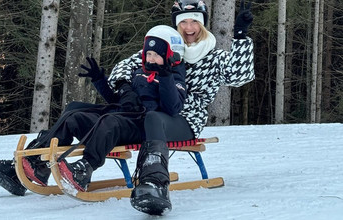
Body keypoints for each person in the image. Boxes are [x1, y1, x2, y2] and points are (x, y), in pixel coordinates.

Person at [0, 25, 186, 208]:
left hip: (141, 125)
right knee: (74, 114)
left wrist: (166, 76)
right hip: (122, 115)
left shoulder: (173, 77)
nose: (150, 59)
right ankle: (34, 164)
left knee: (109, 121)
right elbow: (118, 100)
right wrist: (100, 80)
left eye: (155, 55)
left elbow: (173, 108)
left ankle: (84, 170)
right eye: (147, 54)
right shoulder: (138, 74)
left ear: (170, 56)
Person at [107, 0, 255, 215]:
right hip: (151, 113)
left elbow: (240, 76)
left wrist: (240, 36)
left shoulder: (213, 58)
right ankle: (49, 159)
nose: (188, 28)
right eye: (183, 22)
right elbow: (123, 67)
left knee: (154, 119)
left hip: (185, 119)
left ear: (202, 25)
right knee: (110, 116)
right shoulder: (164, 49)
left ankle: (155, 184)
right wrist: (125, 87)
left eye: (194, 22)